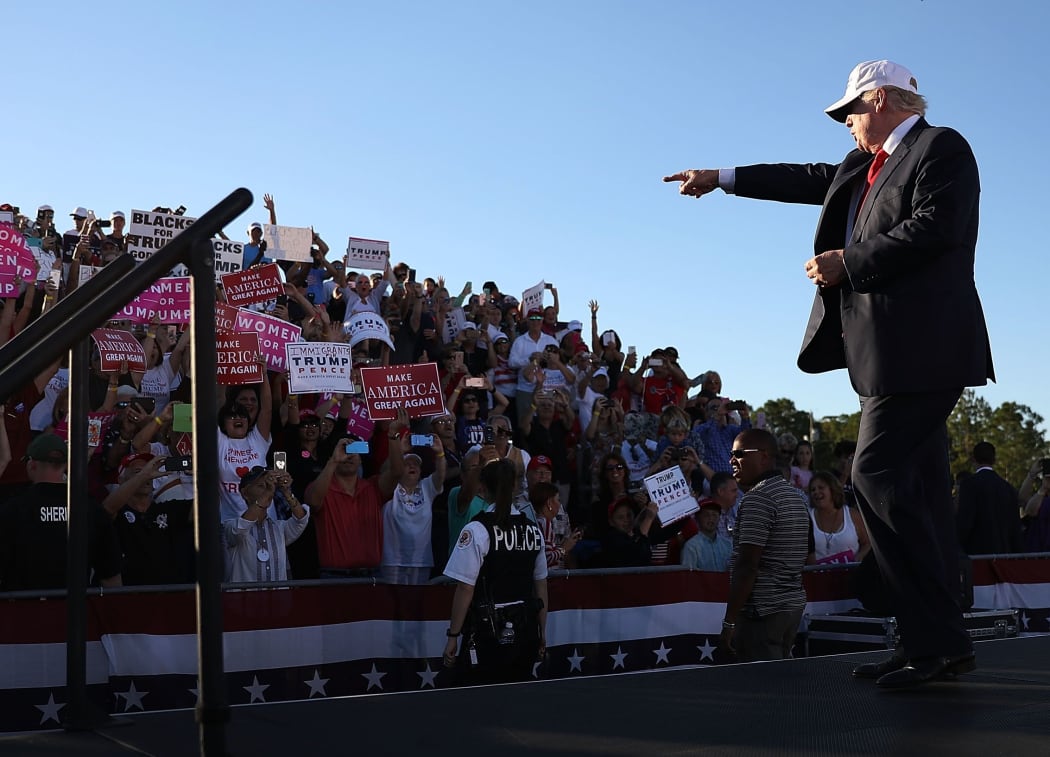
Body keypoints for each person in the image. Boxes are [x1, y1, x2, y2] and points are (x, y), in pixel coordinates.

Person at [667, 60, 992, 687]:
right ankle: (935, 642)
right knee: (919, 493)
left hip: (925, 350)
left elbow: (938, 227)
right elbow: (802, 177)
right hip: (883, 358)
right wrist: (721, 178)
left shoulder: (941, 147)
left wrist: (851, 261)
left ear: (882, 100)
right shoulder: (860, 168)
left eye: (851, 111)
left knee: (872, 474)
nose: (845, 122)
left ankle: (931, 639)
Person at [442, 458, 548, 684]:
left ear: (482, 487)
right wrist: (542, 632)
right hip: (527, 631)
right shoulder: (533, 531)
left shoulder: (477, 529)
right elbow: (540, 587)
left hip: (487, 633)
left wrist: (453, 635)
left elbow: (465, 588)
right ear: (515, 486)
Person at [718, 430, 809, 662]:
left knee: (762, 683)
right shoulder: (796, 496)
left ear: (764, 456)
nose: (732, 460)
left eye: (739, 453)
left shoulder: (758, 498)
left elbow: (747, 566)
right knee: (779, 680)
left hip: (762, 613)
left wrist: (729, 622)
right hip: (790, 608)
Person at [0, 434, 122, 592]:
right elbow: (111, 576)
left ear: (32, 464)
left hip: (26, 605)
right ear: (65, 465)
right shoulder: (91, 509)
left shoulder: (13, 509)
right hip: (75, 605)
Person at [224, 466, 309, 582]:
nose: (268, 490)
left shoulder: (279, 528)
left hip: (278, 594)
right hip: (247, 594)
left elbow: (301, 520)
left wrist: (287, 492)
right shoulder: (230, 525)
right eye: (261, 486)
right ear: (245, 493)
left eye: (269, 486)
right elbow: (239, 529)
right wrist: (267, 493)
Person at [956, 442, 1021, 555]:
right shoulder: (1007, 488)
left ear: (974, 459)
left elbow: (965, 521)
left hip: (977, 553)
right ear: (994, 459)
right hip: (1004, 554)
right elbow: (1014, 526)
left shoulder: (969, 485)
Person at [808, 470, 870, 565]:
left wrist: (859, 557)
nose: (816, 492)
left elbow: (867, 543)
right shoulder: (807, 517)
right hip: (817, 574)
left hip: (851, 573)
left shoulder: (852, 515)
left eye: (821, 488)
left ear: (833, 490)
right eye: (813, 490)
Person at [680, 501, 732, 572]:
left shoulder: (728, 545)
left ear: (719, 518)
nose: (711, 519)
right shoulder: (691, 546)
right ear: (697, 518)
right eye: (706, 515)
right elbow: (688, 575)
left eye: (714, 515)